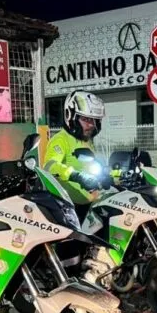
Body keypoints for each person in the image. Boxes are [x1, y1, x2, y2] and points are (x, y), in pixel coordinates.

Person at [43, 90, 113, 222]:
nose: (91, 125)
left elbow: (92, 166)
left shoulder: (86, 141)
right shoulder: (60, 139)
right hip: (69, 209)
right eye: (86, 119)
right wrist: (76, 175)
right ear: (71, 116)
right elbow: (49, 166)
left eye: (94, 120)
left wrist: (110, 176)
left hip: (90, 205)